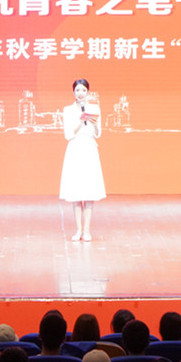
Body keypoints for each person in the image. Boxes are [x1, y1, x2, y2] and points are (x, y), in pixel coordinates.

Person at [59, 78, 106, 241]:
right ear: (73, 92)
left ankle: (87, 231)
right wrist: (81, 121)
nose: (81, 93)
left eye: (84, 90)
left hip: (90, 149)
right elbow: (68, 135)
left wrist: (94, 123)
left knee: (89, 192)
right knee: (76, 192)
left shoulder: (95, 108)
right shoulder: (68, 110)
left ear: (88, 92)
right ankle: (78, 230)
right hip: (75, 149)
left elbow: (98, 133)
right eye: (78, 90)